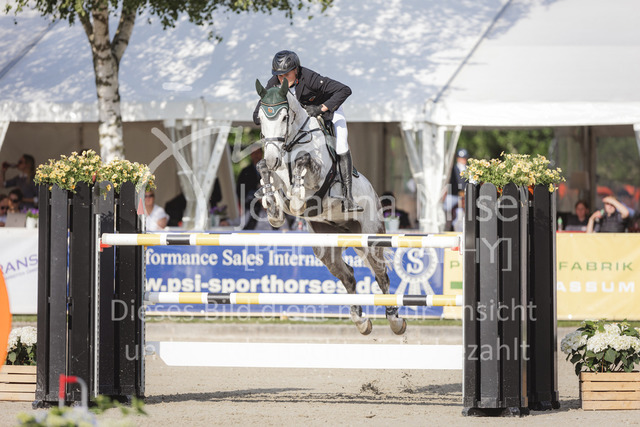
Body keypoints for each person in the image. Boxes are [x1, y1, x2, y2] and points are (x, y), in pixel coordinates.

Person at [253, 50, 362, 213]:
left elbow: (345, 90)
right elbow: (256, 116)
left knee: (340, 144)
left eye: (286, 74)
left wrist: (321, 108)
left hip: (328, 110)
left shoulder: (310, 78)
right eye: (279, 75)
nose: (282, 79)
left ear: (296, 70)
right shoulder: (273, 83)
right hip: (303, 119)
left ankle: (348, 197)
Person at [445, 149, 468, 213]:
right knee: (447, 209)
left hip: (464, 196)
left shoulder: (467, 169)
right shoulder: (453, 169)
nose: (462, 160)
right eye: (460, 158)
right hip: (453, 195)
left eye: (464, 158)